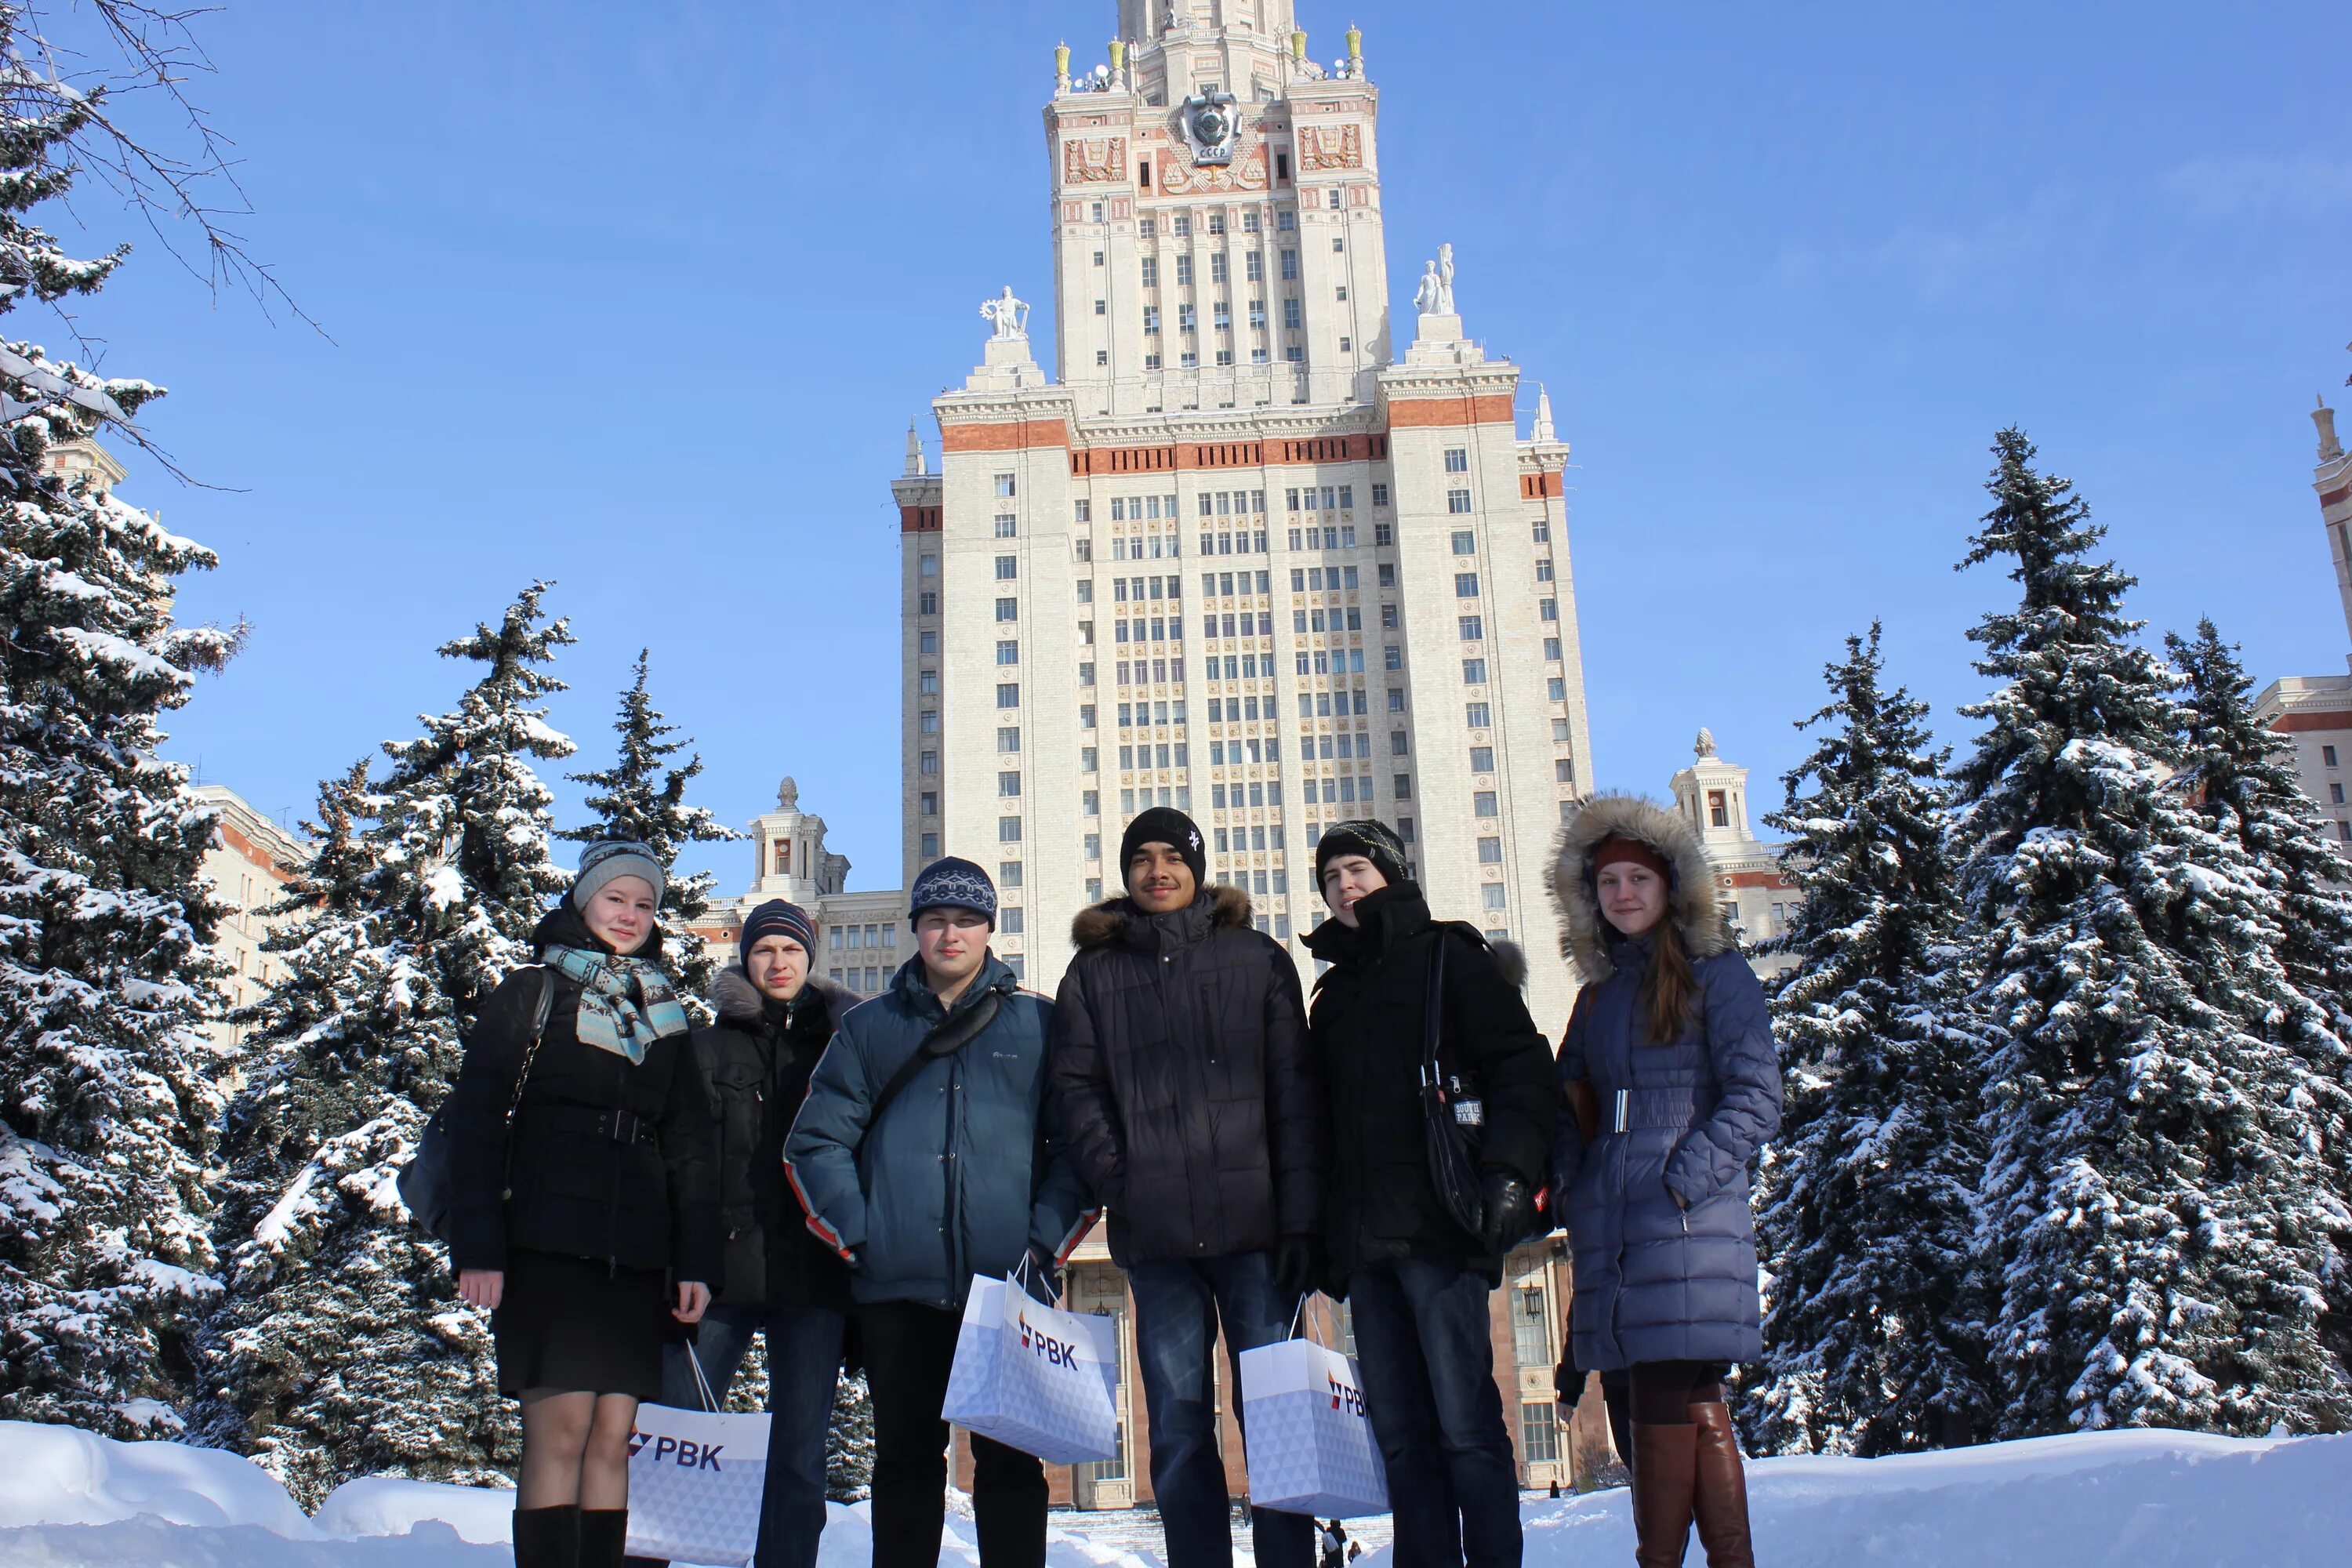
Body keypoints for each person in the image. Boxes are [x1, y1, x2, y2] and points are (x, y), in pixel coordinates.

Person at [784, 858, 1094, 1568]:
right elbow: (816, 1142)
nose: (949, 934)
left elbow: (1073, 1149)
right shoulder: (868, 1029)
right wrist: (861, 1234)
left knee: (1011, 1466)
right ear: (916, 929)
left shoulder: (1041, 1023)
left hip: (1007, 1287)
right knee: (905, 1462)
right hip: (900, 1287)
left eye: (965, 920)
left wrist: (1041, 1245)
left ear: (989, 929)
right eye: (934, 920)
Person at [1048, 807, 1324, 1568]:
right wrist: (1121, 1179)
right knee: (1175, 1420)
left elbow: (1294, 1097)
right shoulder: (1094, 973)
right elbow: (1077, 1087)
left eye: (1174, 855)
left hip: (1259, 1235)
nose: (1158, 869)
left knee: (1274, 1416)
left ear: (1198, 867)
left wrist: (1301, 1222)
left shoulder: (1257, 959)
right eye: (1142, 857)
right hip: (1158, 1235)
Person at [445, 840, 720, 1568]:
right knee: (560, 1433)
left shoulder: (664, 1015)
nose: (629, 916)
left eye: (644, 904)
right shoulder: (532, 993)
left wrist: (695, 1262)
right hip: (546, 1242)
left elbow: (691, 1147)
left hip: (635, 1257)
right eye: (615, 899)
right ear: (583, 901)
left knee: (612, 1440)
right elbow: (475, 1121)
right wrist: (478, 1249)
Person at [1303, 820, 1558, 1568]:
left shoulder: (1451, 958)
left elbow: (1521, 1068)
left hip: (1441, 1233)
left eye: (1357, 869)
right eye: (1330, 877)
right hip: (1364, 1249)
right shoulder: (1333, 994)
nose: (1345, 887)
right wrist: (1319, 1236)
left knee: (1465, 1428)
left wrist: (1509, 1174)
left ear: (1391, 873)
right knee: (1403, 1440)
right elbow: (1320, 1123)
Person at [1548, 797, 1781, 1568]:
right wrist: (1574, 1179)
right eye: (1607, 880)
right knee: (1691, 1399)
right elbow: (1567, 1097)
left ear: (1669, 884)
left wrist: (1685, 1180)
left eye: (1636, 877)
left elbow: (1757, 1095)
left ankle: (1659, 1560)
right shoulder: (1598, 995)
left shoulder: (1719, 975)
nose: (1622, 893)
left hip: (1684, 1218)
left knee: (1659, 1394)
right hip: (1615, 1219)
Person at [626, 901, 861, 1568]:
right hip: (719, 1273)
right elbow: (682, 1160)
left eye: (791, 950)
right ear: (746, 959)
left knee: (799, 1455)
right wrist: (685, 1261)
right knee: (673, 1435)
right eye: (765, 951)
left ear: (810, 960)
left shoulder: (844, 1046)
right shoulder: (703, 1047)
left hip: (814, 1277)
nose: (778, 963)